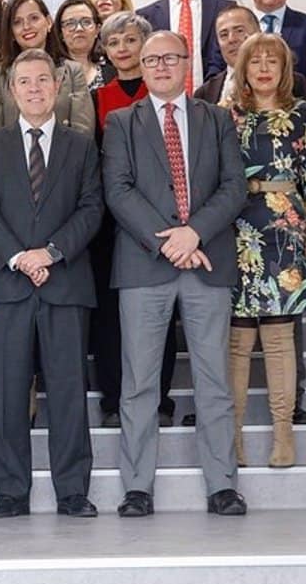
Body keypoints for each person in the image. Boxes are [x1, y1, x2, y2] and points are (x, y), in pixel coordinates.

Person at [102, 30, 248, 518]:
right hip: (145, 265)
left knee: (213, 380)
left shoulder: (218, 119)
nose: (161, 66)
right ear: (140, 69)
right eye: (151, 60)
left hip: (207, 261)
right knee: (140, 382)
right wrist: (169, 240)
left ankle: (222, 484)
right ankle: (137, 487)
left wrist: (195, 234)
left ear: (187, 62)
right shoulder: (122, 122)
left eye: (170, 57)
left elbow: (233, 187)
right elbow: (118, 190)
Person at [0, 48, 103, 519]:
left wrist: (49, 253)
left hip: (64, 283)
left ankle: (72, 490)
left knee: (68, 392)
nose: (33, 88)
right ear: (11, 91)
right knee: (7, 393)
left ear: (57, 86)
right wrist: (19, 258)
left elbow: (91, 208)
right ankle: (10, 491)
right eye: (24, 81)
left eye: (42, 80)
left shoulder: (82, 145)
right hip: (7, 286)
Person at [224, 32, 306, 468]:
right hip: (235, 227)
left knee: (280, 336)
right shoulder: (226, 117)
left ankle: (283, 435)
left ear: (285, 70)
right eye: (256, 62)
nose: (264, 68)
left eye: (273, 61)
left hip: (286, 227)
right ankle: (233, 438)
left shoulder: (303, 113)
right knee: (237, 339)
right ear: (243, 70)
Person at [89, 11, 181, 428]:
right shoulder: (96, 98)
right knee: (110, 316)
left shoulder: (165, 93)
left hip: (162, 221)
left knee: (161, 314)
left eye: (131, 41)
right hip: (111, 222)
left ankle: (160, 399)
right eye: (114, 43)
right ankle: (113, 399)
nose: (123, 49)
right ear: (104, 51)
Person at [0, 0, 94, 136]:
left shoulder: (73, 70)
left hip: (66, 155)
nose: (26, 26)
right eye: (17, 22)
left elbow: (83, 132)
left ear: (49, 22)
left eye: (34, 18)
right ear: (11, 31)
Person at [196, 5, 306, 107]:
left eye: (239, 31)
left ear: (258, 33)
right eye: (224, 35)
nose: (231, 39)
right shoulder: (205, 93)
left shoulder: (294, 83)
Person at [56, 0, 111, 92]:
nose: (79, 28)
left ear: (97, 29)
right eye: (70, 23)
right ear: (61, 33)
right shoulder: (51, 73)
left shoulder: (112, 73)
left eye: (86, 22)